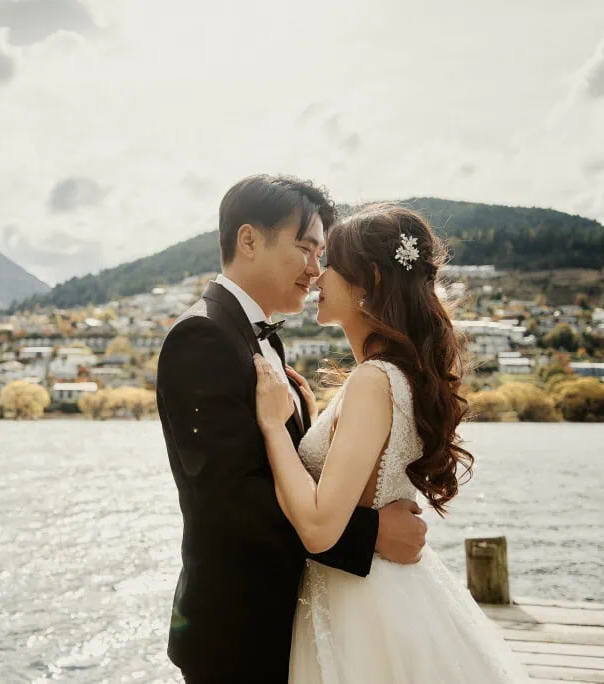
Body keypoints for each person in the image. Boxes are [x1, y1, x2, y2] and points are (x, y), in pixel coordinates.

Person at [156, 176, 428, 683]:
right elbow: (229, 498)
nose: (316, 269)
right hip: (238, 629)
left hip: (299, 619)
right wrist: (370, 535)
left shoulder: (264, 342)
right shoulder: (203, 336)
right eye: (305, 248)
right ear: (249, 239)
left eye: (322, 253)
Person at [253, 202, 532, 682]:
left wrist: (274, 425)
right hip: (389, 593)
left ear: (371, 283)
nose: (317, 276)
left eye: (332, 265)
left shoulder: (372, 381)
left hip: (359, 607)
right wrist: (317, 421)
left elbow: (320, 528)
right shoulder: (394, 376)